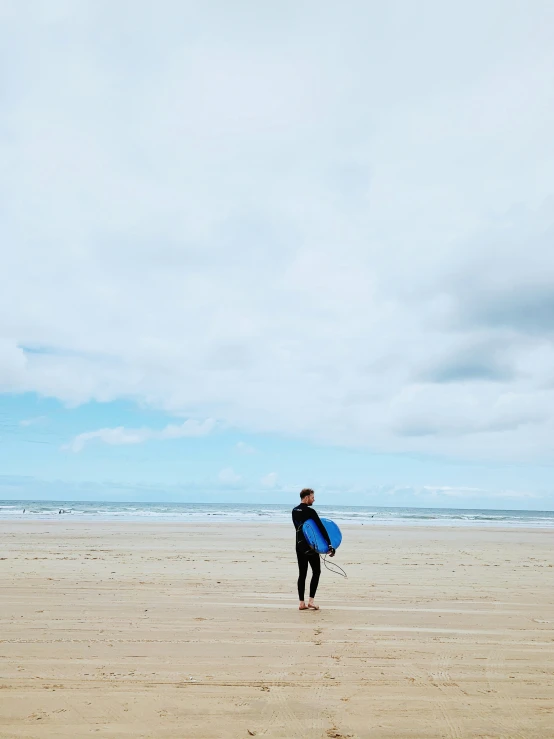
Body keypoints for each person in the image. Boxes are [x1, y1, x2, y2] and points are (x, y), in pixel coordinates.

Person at [292, 488, 335, 611]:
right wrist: (329, 545)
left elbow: (300, 528)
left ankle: (301, 603)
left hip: (299, 546)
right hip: (311, 547)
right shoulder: (310, 511)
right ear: (306, 497)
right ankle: (311, 601)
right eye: (312, 497)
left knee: (302, 573)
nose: (314, 499)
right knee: (316, 572)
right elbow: (320, 528)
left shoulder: (294, 510)